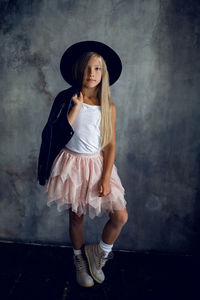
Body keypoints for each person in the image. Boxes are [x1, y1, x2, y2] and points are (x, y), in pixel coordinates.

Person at [37, 41, 128, 287]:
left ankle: (98, 254)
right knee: (76, 218)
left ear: (103, 73)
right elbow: (54, 133)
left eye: (97, 69)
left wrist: (106, 177)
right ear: (79, 70)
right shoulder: (67, 99)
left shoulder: (108, 107)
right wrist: (76, 108)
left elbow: (109, 145)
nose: (91, 73)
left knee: (120, 216)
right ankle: (79, 260)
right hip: (72, 166)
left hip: (97, 165)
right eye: (87, 68)